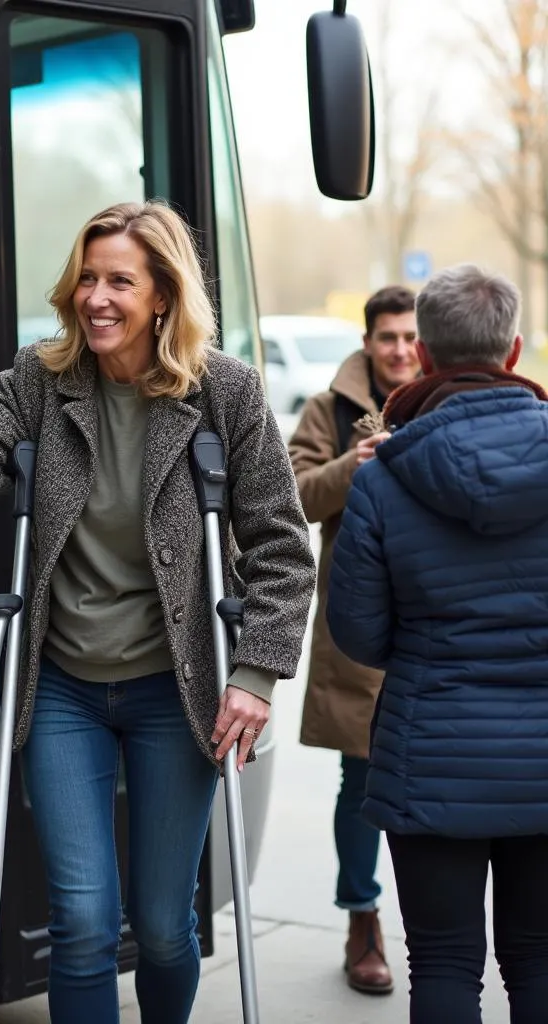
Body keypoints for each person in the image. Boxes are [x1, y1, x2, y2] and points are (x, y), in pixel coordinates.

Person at [0, 200, 316, 1023]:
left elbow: (282, 548)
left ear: (165, 297)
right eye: (86, 279)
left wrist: (255, 674)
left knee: (166, 928)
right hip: (63, 687)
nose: (95, 298)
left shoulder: (228, 394)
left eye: (119, 282)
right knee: (82, 923)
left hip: (176, 695)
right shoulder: (43, 378)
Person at [327, 264, 548, 1024]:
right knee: (541, 956)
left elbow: (357, 631)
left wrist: (425, 646)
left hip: (431, 757)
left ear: (423, 356)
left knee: (446, 963)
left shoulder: (384, 478)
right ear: (513, 352)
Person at [286, 285, 418, 994]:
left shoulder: (446, 395)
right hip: (363, 623)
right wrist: (354, 463)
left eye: (410, 337)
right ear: (368, 341)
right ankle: (361, 918)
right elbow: (293, 495)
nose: (400, 349)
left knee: (439, 777)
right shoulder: (330, 410)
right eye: (387, 337)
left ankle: (434, 925)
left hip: (436, 619)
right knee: (361, 780)